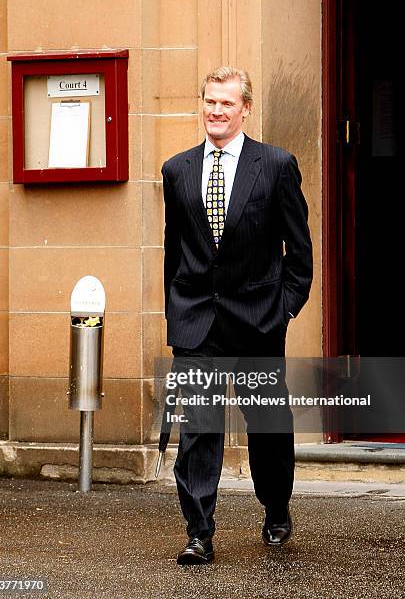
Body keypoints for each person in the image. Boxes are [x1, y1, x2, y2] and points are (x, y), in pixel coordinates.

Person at [161, 66, 312, 565]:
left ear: (245, 108)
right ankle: (199, 532)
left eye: (226, 103)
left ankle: (276, 505)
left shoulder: (275, 165)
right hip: (197, 321)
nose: (216, 112)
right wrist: (175, 313)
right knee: (199, 426)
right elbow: (173, 251)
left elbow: (300, 253)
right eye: (209, 102)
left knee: (267, 423)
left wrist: (284, 308)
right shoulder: (177, 170)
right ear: (200, 104)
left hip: (257, 320)